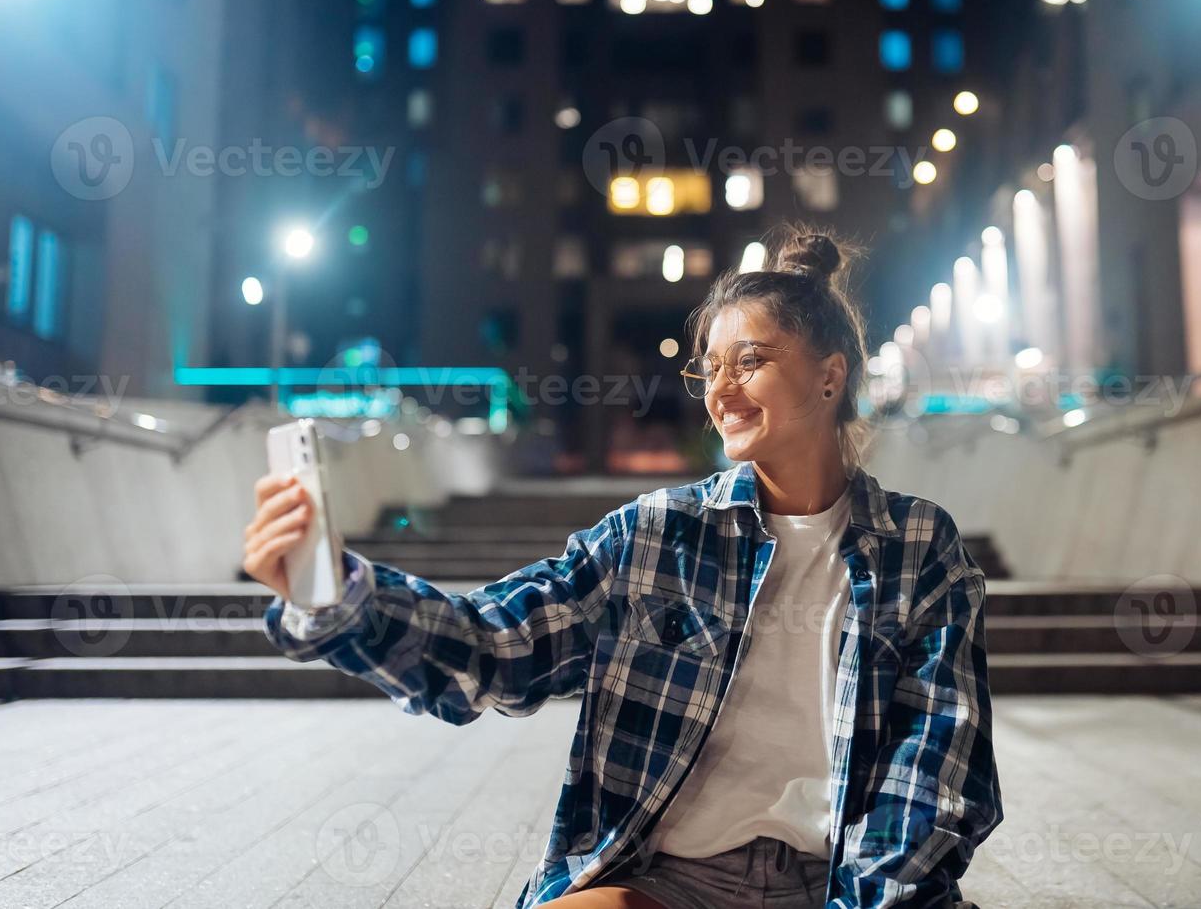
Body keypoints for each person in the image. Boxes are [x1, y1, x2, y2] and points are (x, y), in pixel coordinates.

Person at [242, 224, 1003, 908]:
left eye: (751, 362)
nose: (722, 390)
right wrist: (336, 592)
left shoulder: (915, 545)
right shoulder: (654, 536)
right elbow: (493, 647)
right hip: (670, 880)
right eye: (709, 370)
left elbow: (938, 766)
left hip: (846, 883)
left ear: (830, 376)